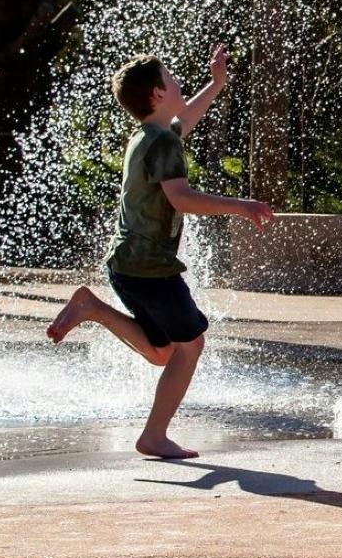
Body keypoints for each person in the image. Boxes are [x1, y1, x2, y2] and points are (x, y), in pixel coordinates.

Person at [47, 44, 274, 459]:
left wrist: (216, 85)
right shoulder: (163, 143)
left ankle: (91, 307)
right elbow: (181, 198)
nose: (178, 83)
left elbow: (184, 119)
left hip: (129, 264)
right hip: (150, 266)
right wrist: (241, 206)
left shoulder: (146, 136)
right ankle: (153, 435)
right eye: (171, 79)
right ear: (156, 94)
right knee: (190, 346)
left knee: (162, 351)